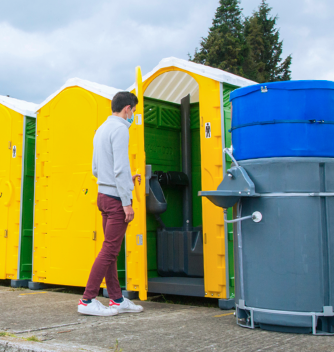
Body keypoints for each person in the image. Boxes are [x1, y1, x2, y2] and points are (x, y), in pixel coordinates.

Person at [78, 91, 144, 316]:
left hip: (103, 195)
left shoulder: (101, 130)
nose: (133, 115)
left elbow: (97, 169)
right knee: (109, 250)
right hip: (116, 200)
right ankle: (87, 300)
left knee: (111, 249)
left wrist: (126, 181)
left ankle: (116, 299)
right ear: (127, 108)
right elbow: (120, 168)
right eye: (133, 111)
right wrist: (127, 201)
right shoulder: (120, 130)